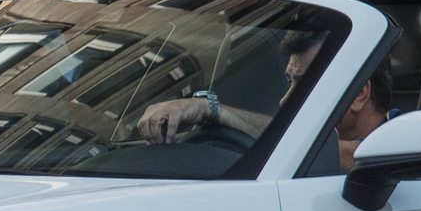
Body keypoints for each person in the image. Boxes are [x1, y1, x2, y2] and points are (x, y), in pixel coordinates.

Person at [134, 32, 385, 171]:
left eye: (307, 87)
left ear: (360, 94)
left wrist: (208, 108)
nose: (285, 100)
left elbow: (343, 155)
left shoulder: (397, 146)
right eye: (290, 83)